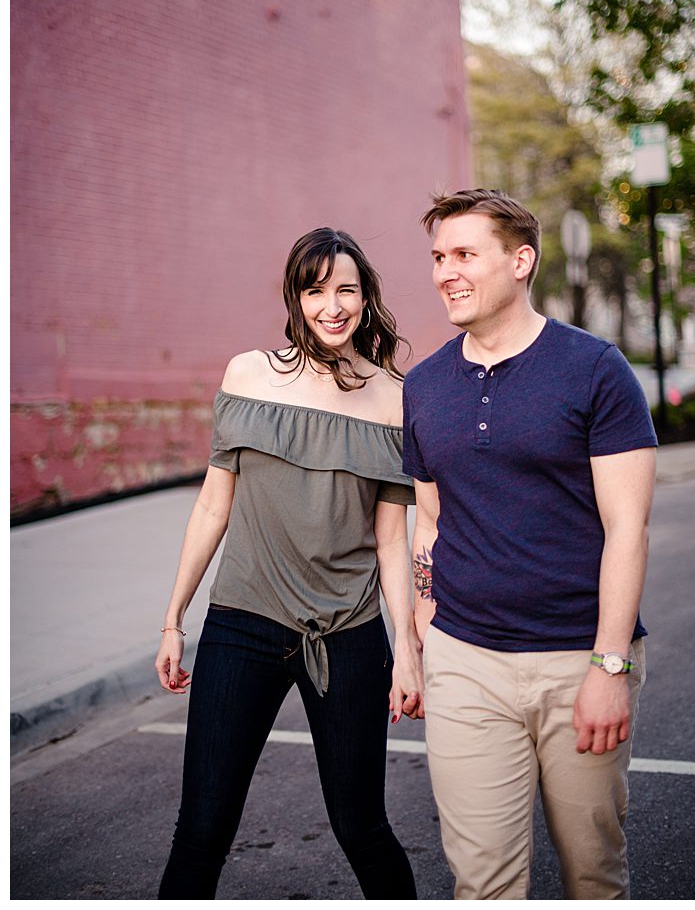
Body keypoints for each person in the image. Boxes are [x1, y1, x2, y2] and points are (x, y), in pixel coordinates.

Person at [402, 189, 659, 899]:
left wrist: (609, 665)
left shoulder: (594, 369)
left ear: (520, 261)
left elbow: (627, 527)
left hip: (576, 659)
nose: (444, 273)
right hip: (467, 663)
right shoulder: (423, 386)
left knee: (592, 875)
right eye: (437, 258)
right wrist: (425, 632)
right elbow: (430, 520)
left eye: (463, 254)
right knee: (482, 884)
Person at [154, 228, 420, 898]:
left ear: (366, 298)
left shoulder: (394, 398)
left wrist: (408, 651)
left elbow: (392, 540)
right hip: (241, 625)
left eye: (346, 290)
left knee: (362, 827)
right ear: (296, 297)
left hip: (350, 636)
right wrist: (173, 618)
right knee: (203, 829)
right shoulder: (248, 374)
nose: (332, 305)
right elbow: (215, 506)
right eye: (316, 289)